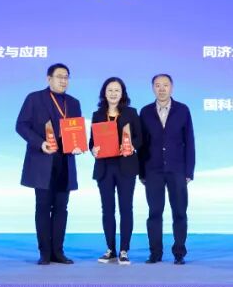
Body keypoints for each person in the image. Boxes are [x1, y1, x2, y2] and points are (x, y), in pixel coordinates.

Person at [15, 63, 84, 265]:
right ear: (49, 79)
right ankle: (45, 253)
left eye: (66, 77)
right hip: (42, 160)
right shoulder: (34, 98)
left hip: (65, 161)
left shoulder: (74, 103)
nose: (63, 80)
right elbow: (21, 125)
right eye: (59, 76)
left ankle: (58, 252)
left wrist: (78, 145)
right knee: (43, 207)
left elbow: (76, 130)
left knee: (62, 207)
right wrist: (40, 143)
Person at [138, 73, 195, 265]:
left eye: (165, 85)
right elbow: (142, 144)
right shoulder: (145, 112)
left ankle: (179, 253)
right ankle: (155, 253)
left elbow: (189, 141)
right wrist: (141, 171)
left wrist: (189, 171)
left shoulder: (182, 110)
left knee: (179, 212)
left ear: (172, 87)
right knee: (154, 213)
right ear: (152, 88)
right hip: (152, 169)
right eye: (157, 85)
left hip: (177, 169)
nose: (161, 89)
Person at [89, 77, 143, 266]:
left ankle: (124, 250)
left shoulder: (131, 113)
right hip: (104, 168)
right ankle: (110, 249)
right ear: (104, 93)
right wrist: (93, 149)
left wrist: (131, 146)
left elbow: (140, 138)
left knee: (126, 208)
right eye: (110, 90)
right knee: (107, 210)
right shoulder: (97, 115)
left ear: (122, 94)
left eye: (117, 90)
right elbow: (92, 141)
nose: (113, 93)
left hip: (126, 167)